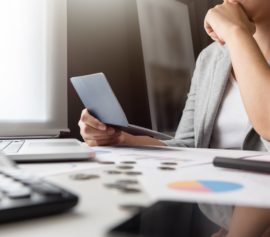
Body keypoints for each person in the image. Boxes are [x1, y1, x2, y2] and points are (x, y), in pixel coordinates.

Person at [78, 0, 270, 235]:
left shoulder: (233, 36)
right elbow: (189, 146)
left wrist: (236, 32)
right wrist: (121, 139)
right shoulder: (211, 58)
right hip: (222, 214)